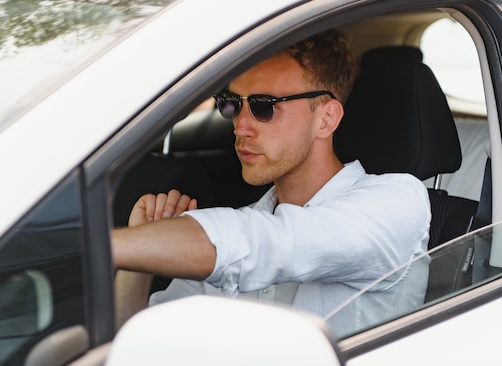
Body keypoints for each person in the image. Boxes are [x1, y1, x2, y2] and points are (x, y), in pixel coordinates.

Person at [112, 29, 430, 337]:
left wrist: (110, 247)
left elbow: (271, 245)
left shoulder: (398, 202)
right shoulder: (247, 220)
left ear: (326, 118)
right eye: (232, 104)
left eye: (264, 106)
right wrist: (136, 263)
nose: (241, 127)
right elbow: (140, 342)